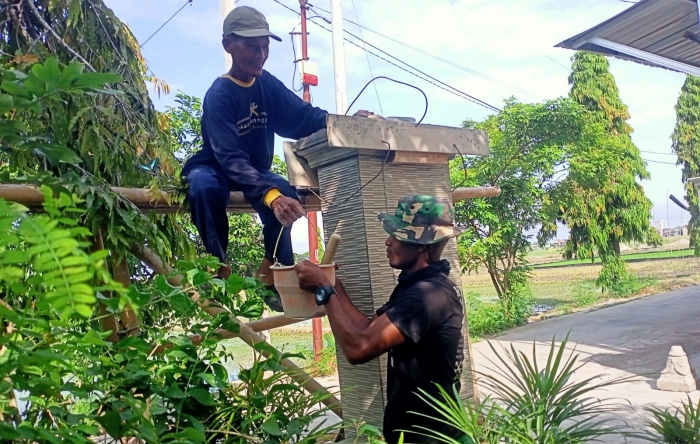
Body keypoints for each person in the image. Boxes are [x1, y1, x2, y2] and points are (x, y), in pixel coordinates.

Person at [181, 6, 370, 311]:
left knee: (288, 194)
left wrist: (345, 123)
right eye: (251, 46)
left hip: (254, 170)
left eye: (265, 46)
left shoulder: (267, 85)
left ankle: (272, 272)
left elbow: (304, 117)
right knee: (202, 187)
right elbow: (229, 157)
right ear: (228, 44)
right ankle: (218, 267)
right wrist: (270, 196)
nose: (260, 53)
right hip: (216, 166)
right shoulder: (219, 94)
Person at [295, 195, 467, 444]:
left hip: (431, 438)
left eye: (396, 235)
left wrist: (324, 289)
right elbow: (367, 329)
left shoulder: (428, 296)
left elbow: (358, 348)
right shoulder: (418, 287)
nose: (388, 242)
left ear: (419, 243)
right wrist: (335, 285)